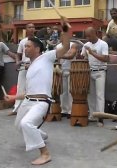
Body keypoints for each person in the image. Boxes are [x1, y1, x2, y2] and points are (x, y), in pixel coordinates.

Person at [4, 17, 71, 165]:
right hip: (28, 101)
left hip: (41, 102)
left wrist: (66, 29)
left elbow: (65, 47)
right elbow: (28, 92)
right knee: (18, 125)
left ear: (37, 48)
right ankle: (42, 135)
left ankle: (45, 153)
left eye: (28, 46)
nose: (25, 48)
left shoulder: (46, 57)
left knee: (26, 124)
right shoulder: (30, 67)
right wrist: (13, 97)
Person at [81, 27, 109, 127]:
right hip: (90, 71)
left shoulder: (103, 44)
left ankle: (100, 117)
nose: (88, 38)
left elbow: (105, 58)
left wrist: (92, 52)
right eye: (86, 36)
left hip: (100, 72)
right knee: (90, 94)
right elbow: (83, 57)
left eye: (89, 35)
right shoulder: (86, 45)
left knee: (100, 95)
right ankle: (92, 115)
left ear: (95, 33)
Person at [8, 23, 36, 116]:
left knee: (32, 88)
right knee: (20, 87)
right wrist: (17, 61)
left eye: (33, 27)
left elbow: (40, 55)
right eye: (29, 27)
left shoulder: (38, 41)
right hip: (23, 66)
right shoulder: (23, 41)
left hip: (34, 66)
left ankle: (31, 109)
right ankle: (16, 109)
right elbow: (18, 54)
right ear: (26, 29)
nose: (31, 29)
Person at [56, 41, 78, 118]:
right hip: (62, 70)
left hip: (71, 69)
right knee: (63, 92)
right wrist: (58, 66)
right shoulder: (58, 46)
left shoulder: (73, 45)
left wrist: (60, 55)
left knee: (70, 91)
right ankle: (64, 110)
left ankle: (71, 111)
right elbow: (57, 59)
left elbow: (71, 55)